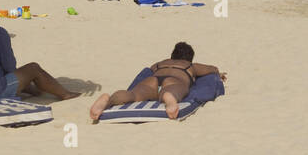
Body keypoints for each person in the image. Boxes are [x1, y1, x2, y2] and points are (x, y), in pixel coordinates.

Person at [0, 11, 76, 100]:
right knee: (33, 68)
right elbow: (10, 66)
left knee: (16, 77)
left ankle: (37, 91)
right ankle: (65, 94)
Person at [89, 42, 225, 122]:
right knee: (173, 90)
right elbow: (212, 69)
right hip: (174, 81)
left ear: (172, 55)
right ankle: (169, 98)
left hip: (153, 80)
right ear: (190, 58)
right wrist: (218, 74)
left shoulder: (160, 63)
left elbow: (149, 70)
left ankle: (109, 99)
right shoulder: (190, 66)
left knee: (133, 95)